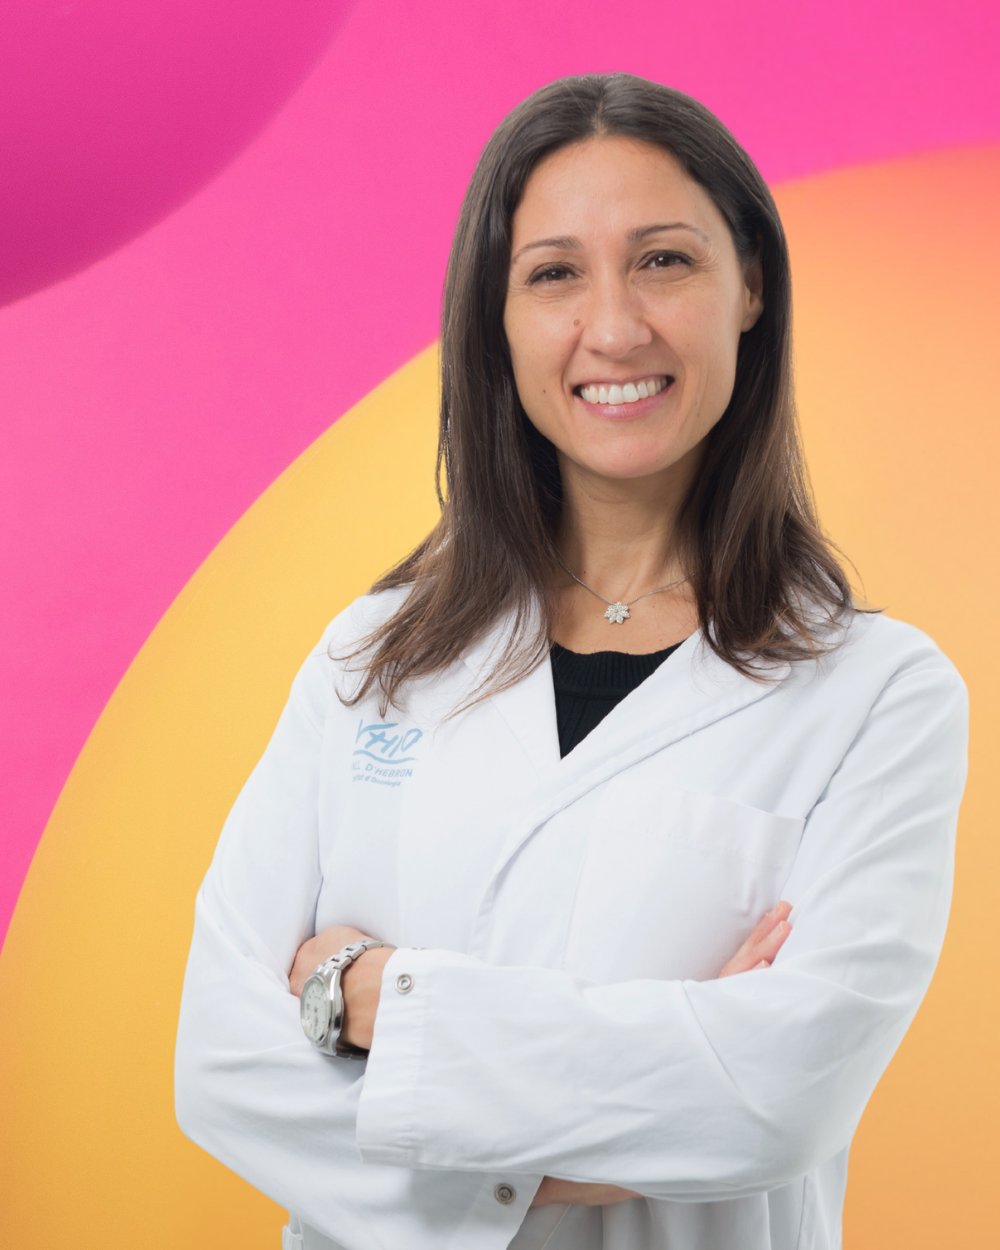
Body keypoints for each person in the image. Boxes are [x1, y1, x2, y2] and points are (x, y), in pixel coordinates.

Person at [175, 74, 968, 1250]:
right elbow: (220, 1062)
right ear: (494, 321)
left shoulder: (878, 695)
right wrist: (581, 1140)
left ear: (749, 284)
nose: (613, 328)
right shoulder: (370, 659)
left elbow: (770, 1101)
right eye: (553, 273)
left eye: (663, 261)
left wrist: (365, 996)